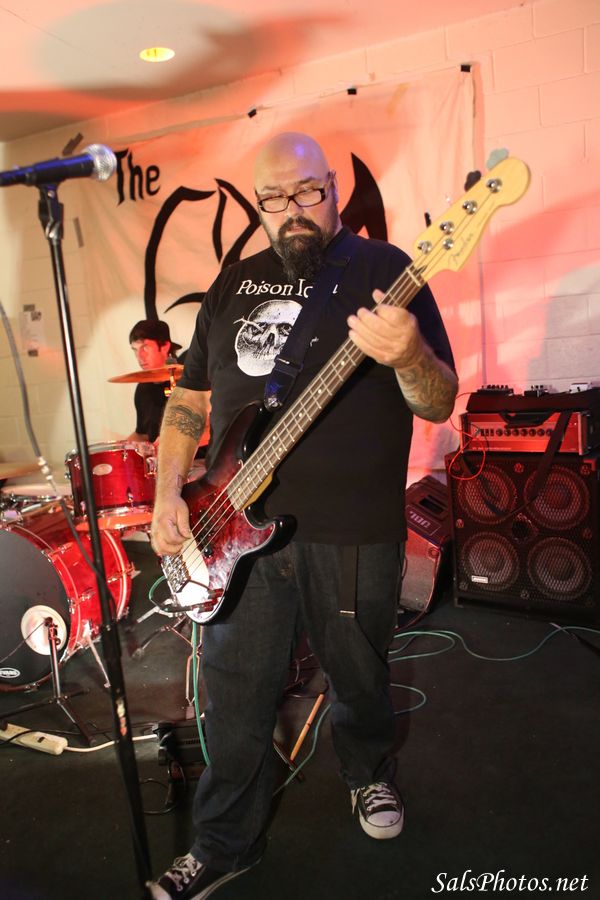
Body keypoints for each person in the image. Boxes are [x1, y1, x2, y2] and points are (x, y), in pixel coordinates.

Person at [148, 132, 458, 900]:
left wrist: (408, 354)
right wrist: (166, 491)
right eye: (274, 198)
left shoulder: (386, 270)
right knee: (234, 694)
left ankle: (368, 773)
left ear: (334, 190)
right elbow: (188, 398)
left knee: (358, 674)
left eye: (309, 192)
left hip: (352, 525)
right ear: (258, 203)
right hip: (231, 529)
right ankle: (225, 842)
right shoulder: (232, 284)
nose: (293, 210)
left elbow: (437, 400)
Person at [127, 319, 182, 444]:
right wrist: (119, 448)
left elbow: (206, 430)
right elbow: (142, 435)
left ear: (164, 347)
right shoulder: (143, 388)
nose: (139, 356)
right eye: (135, 350)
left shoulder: (189, 382)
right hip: (159, 455)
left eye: (145, 347)